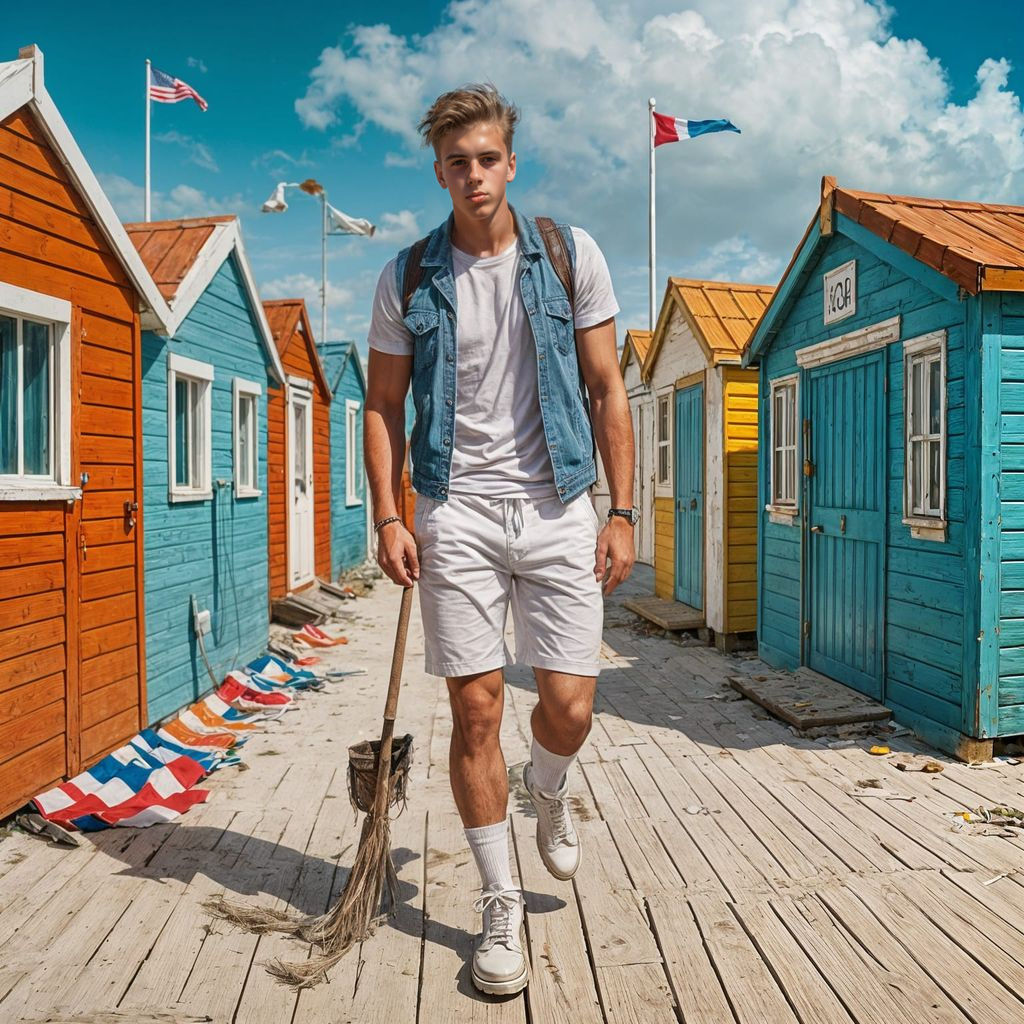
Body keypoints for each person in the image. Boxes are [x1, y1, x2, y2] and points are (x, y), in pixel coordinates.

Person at [364, 83, 636, 996]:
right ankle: (500, 901)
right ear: (438, 170)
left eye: (488, 158)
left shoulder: (566, 255)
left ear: (509, 162)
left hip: (559, 504)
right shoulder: (407, 276)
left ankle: (549, 787)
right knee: (475, 711)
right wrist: (392, 514)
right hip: (457, 511)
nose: (473, 175)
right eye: (457, 162)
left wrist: (622, 508)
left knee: (569, 707)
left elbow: (606, 389)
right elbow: (383, 404)